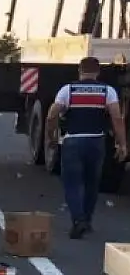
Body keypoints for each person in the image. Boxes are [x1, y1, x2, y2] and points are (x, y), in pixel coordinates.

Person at [46, 56, 128, 239]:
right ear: (98, 72)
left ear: (79, 70)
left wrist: (51, 136)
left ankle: (78, 220)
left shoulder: (68, 90)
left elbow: (52, 115)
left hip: (72, 141)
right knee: (92, 183)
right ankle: (87, 220)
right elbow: (116, 117)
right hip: (96, 142)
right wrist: (122, 144)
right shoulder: (108, 91)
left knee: (72, 183)